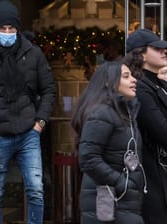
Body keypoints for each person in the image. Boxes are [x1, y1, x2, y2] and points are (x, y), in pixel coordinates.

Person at [0, 1, 56, 223]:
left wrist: (40, 122)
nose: (8, 33)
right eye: (3, 29)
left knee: (36, 189)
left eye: (12, 29)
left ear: (18, 29)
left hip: (29, 132)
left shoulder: (33, 53)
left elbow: (48, 89)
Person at [71, 61, 146, 224]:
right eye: (126, 77)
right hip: (109, 202)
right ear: (108, 82)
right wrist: (123, 184)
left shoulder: (125, 113)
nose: (134, 80)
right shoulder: (102, 113)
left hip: (124, 203)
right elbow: (88, 158)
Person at [123, 28, 167, 224]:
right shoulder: (140, 87)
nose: (164, 51)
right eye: (157, 48)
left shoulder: (157, 83)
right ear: (141, 54)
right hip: (152, 172)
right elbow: (162, 131)